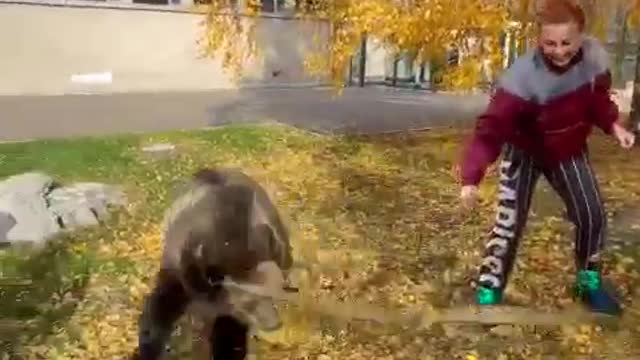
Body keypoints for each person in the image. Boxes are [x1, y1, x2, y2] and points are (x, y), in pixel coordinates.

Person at [458, 0, 635, 315]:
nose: (559, 51)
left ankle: (587, 282)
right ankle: (489, 289)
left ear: (581, 37)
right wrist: (472, 177)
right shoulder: (522, 77)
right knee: (508, 223)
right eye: (549, 43)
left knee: (592, 214)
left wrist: (613, 125)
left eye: (567, 43)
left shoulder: (593, 59)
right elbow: (491, 128)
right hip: (524, 150)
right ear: (539, 41)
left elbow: (595, 99)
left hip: (566, 149)